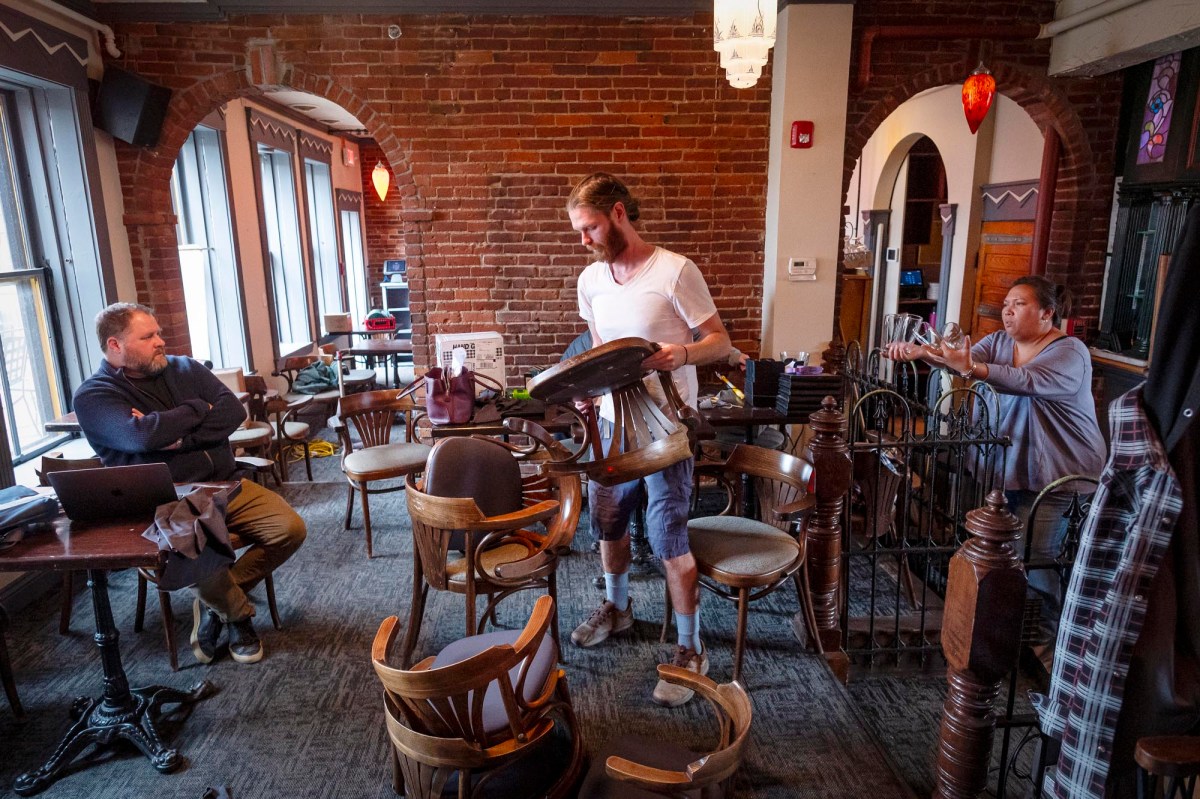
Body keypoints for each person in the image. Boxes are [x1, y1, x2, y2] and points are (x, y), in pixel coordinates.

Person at [565, 172, 731, 707]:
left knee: (667, 538)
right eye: (578, 231)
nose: (584, 240)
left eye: (589, 227)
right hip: (610, 429)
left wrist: (680, 354)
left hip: (665, 432)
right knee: (608, 524)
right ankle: (617, 608)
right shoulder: (590, 282)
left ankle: (690, 647)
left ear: (618, 214)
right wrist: (585, 392)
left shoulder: (676, 270)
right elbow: (596, 350)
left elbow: (720, 342)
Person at [886, 276, 1105, 665]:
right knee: (1003, 557)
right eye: (1006, 302)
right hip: (1009, 468)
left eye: (1018, 303)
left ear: (1047, 313)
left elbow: (1026, 382)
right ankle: (1009, 635)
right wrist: (920, 354)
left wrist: (972, 368)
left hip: (1059, 475)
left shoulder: (1070, 352)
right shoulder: (999, 343)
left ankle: (1046, 648)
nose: (1007, 310)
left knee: (1038, 561)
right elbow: (956, 359)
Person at [72, 303, 307, 665]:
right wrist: (199, 409)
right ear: (115, 345)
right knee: (194, 546)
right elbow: (140, 437)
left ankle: (216, 604)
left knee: (289, 528)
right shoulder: (94, 395)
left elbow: (233, 412)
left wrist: (176, 437)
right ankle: (238, 616)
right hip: (165, 501)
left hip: (223, 484)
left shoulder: (185, 368)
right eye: (147, 336)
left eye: (158, 332)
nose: (160, 341)